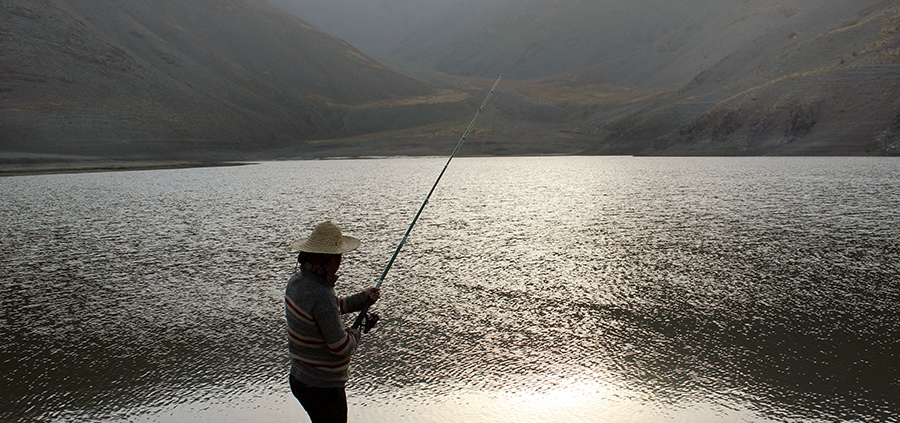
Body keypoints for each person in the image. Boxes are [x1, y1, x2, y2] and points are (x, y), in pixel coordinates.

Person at [285, 221, 380, 423]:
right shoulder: (322, 295)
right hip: (322, 386)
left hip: (300, 378)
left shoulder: (297, 281)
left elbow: (326, 311)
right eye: (340, 258)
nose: (341, 262)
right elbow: (340, 347)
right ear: (331, 260)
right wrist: (355, 334)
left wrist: (362, 298)